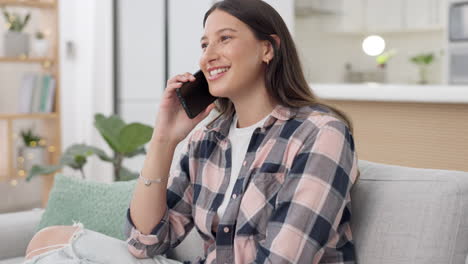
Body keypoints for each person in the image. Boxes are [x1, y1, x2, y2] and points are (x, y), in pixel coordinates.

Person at [24, 0, 359, 263]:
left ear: (267, 48)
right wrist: (164, 139)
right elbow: (145, 241)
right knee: (51, 241)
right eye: (204, 44)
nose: (207, 56)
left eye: (225, 38)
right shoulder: (208, 140)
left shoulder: (320, 133)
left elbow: (285, 258)